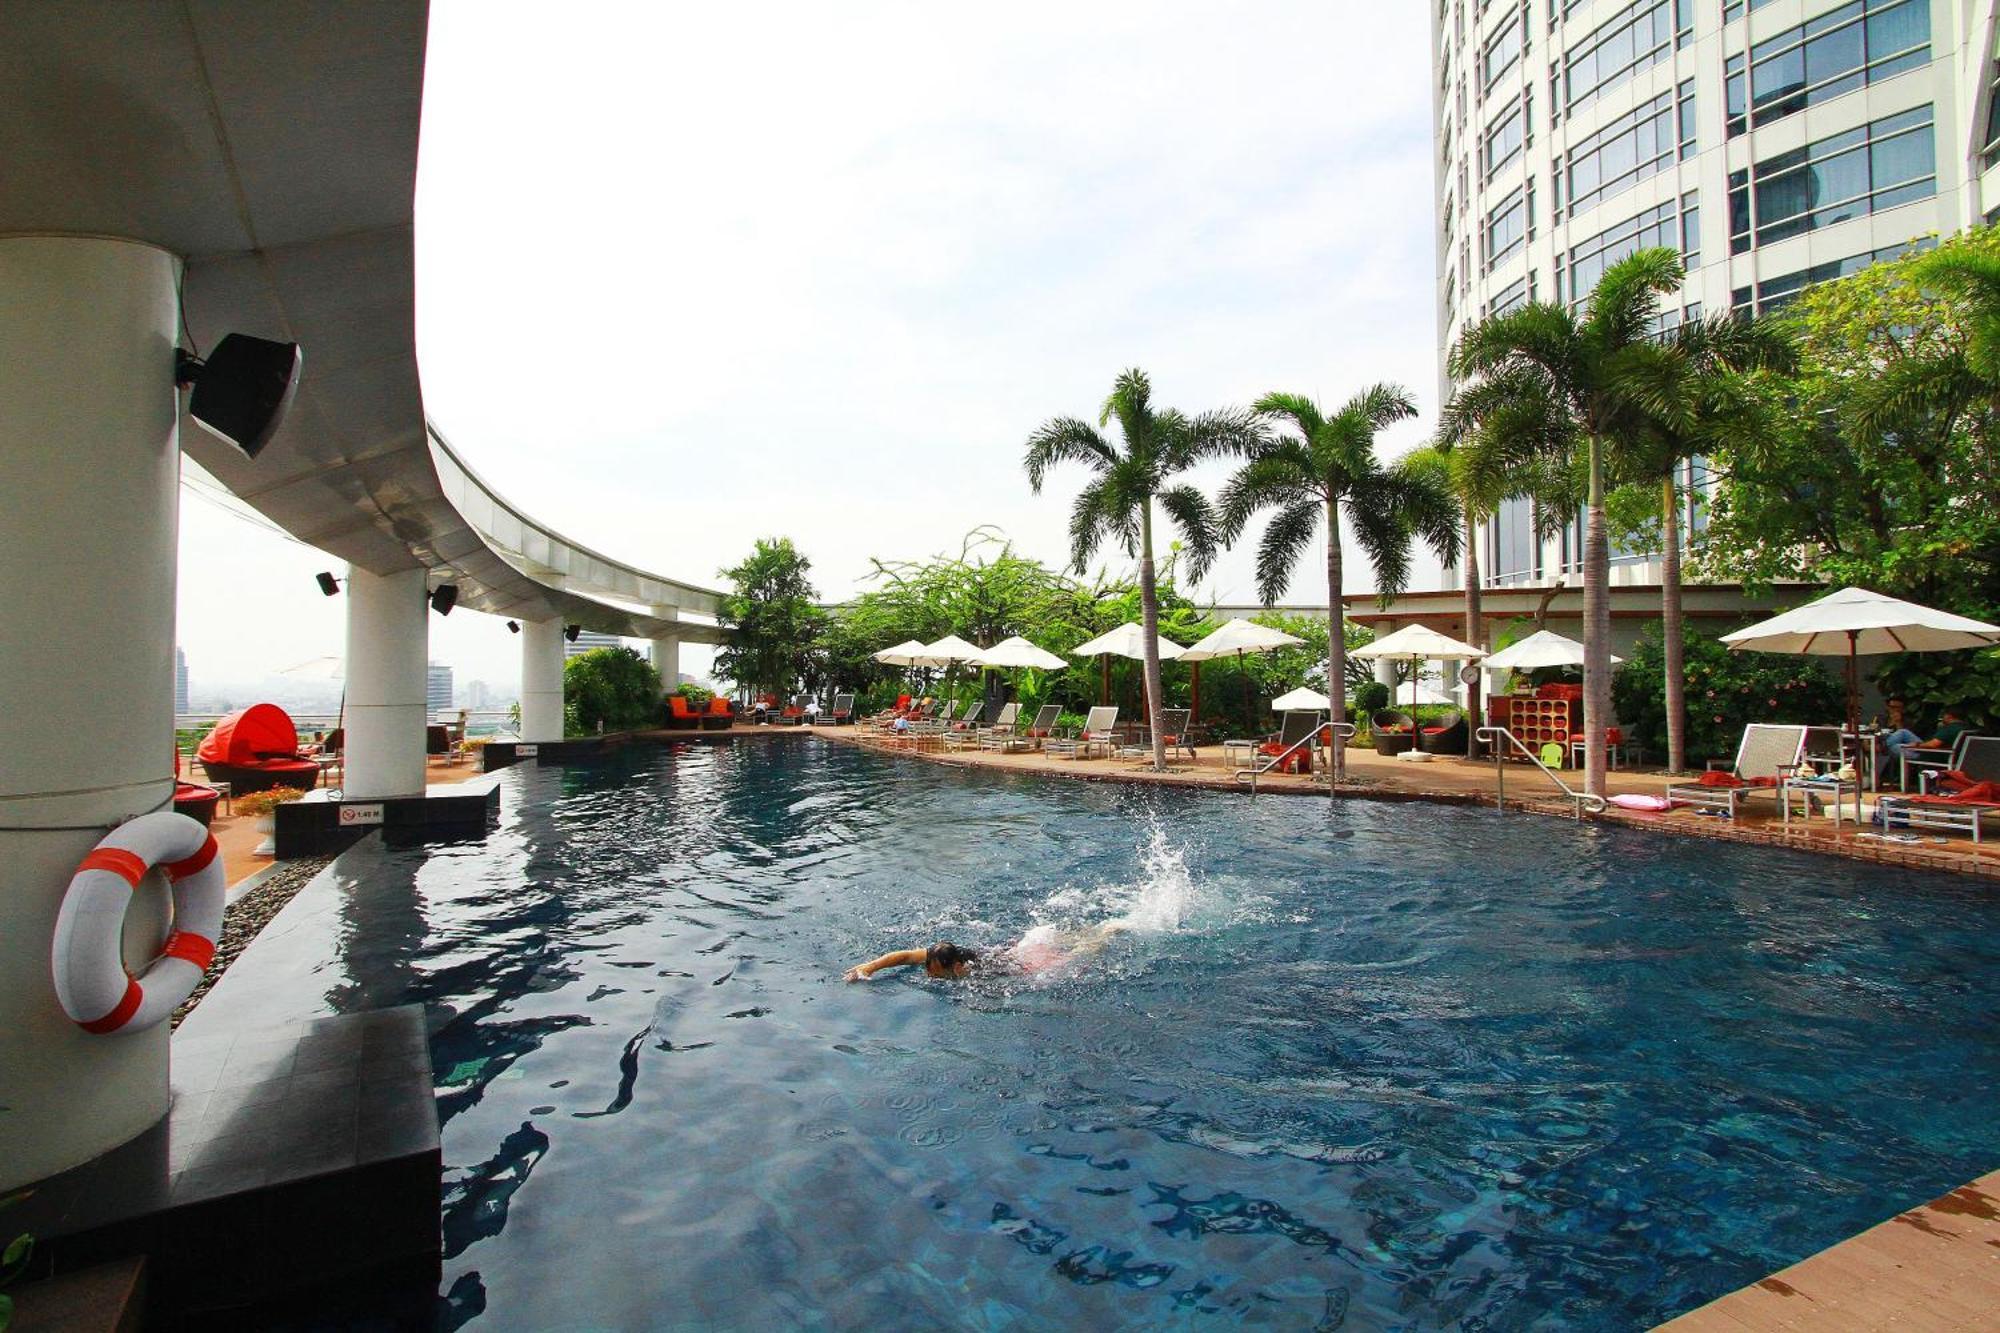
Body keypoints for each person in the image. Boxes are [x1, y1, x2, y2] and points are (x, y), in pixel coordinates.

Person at [844, 922, 1131, 983]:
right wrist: (868, 967)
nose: (928, 975)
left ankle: (1107, 933)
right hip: (1015, 948)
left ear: (955, 968)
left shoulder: (978, 976)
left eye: (933, 973)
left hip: (1024, 962)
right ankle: (1095, 930)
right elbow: (904, 956)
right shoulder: (943, 954)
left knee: (1078, 954)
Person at [1881, 704, 1969, 785]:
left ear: (1949, 716)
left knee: (1894, 747)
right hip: (1942, 752)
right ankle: (1881, 746)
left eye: (1944, 715)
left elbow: (1932, 745)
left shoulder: (1949, 728)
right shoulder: (1965, 727)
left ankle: (1879, 748)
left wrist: (1917, 745)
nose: (1943, 717)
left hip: (1931, 755)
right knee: (1903, 732)